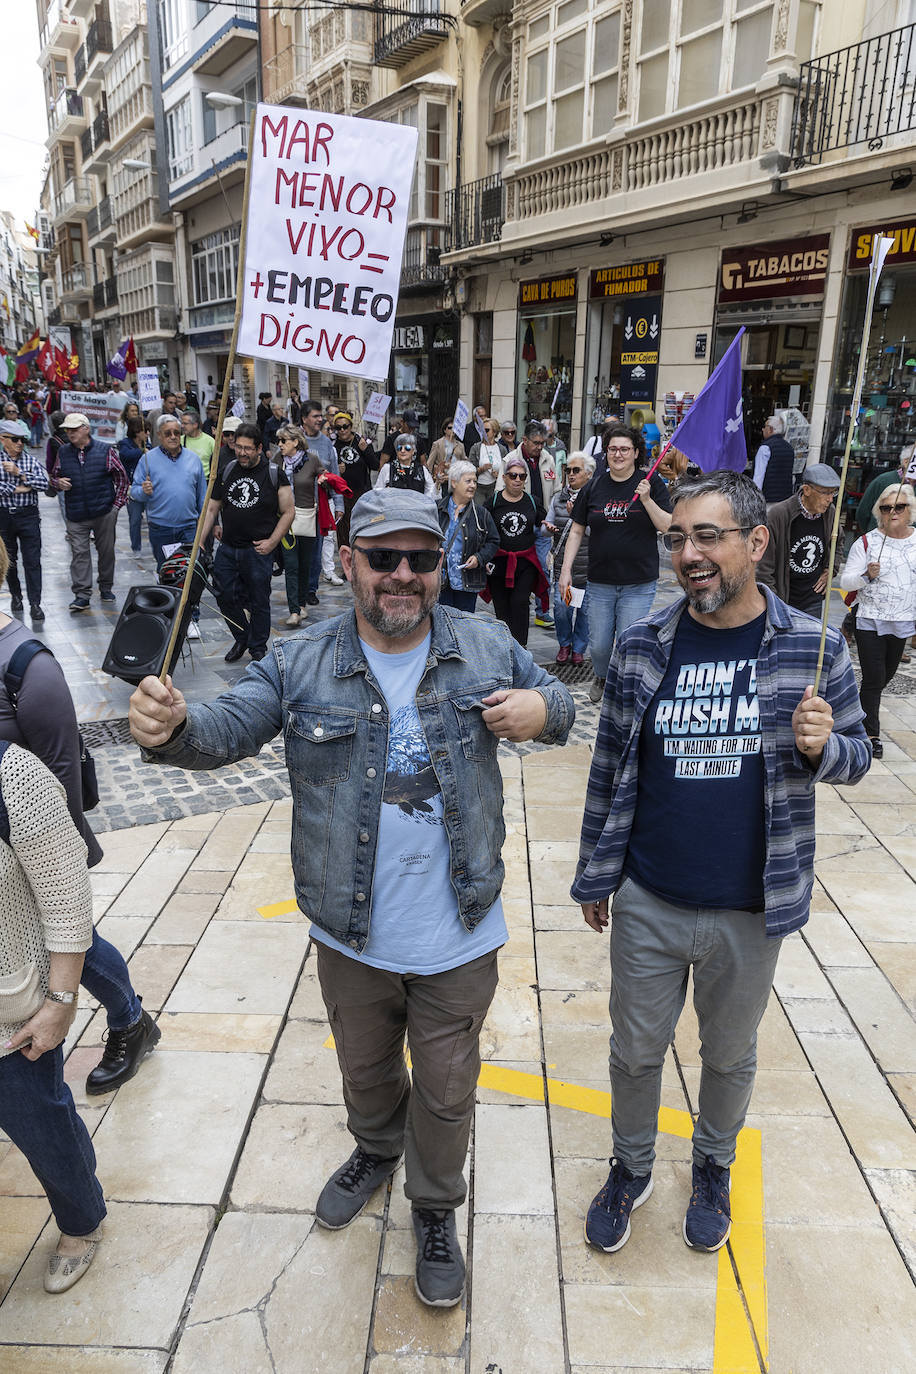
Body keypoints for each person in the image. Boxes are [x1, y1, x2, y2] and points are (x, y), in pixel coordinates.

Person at [128, 486, 575, 1310]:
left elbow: (562, 705)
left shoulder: (485, 644)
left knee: (446, 1092)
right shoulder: (300, 662)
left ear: (443, 566)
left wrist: (545, 706)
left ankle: (435, 1207)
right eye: (383, 558)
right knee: (367, 1072)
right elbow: (224, 729)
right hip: (351, 932)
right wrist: (173, 729)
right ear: (347, 563)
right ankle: (375, 1147)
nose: (403, 575)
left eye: (422, 558)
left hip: (461, 932)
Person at [573, 470, 870, 1258]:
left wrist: (823, 746)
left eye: (708, 537)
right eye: (679, 538)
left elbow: (859, 755)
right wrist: (594, 876)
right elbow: (608, 766)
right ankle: (630, 1168)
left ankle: (712, 1167)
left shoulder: (814, 648)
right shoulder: (643, 644)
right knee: (634, 1051)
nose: (689, 554)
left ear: (757, 542)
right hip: (649, 898)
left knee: (730, 1056)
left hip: (751, 905)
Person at [0, 538, 159, 1097]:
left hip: (31, 847)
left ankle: (130, 1022)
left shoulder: (26, 665)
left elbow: (60, 766)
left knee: (69, 943)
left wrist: (56, 865)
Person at [0, 740, 105, 1294]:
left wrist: (60, 1002)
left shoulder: (13, 774)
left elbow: (66, 899)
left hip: (8, 1022)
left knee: (42, 1126)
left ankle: (81, 1220)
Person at [559, 424, 672, 703]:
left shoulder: (651, 483)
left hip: (638, 582)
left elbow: (667, 526)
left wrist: (645, 499)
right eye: (612, 449)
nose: (618, 454)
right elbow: (576, 530)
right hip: (600, 582)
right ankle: (601, 674)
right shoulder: (594, 485)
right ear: (605, 453)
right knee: (598, 646)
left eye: (624, 449)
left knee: (627, 641)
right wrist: (565, 570)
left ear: (636, 453)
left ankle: (621, 687)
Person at [202, 422, 294, 663]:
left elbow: (289, 512)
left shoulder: (274, 474)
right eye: (238, 447)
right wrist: (201, 540)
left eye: (247, 449)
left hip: (258, 551)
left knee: (259, 600)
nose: (242, 452)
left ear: (259, 448)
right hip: (228, 548)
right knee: (223, 595)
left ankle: (257, 647)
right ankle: (242, 636)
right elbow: (212, 507)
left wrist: (273, 542)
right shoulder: (228, 469)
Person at [839, 482, 916, 757]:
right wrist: (866, 575)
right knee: (874, 678)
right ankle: (870, 733)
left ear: (910, 509)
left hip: (903, 621)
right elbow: (847, 580)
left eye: (899, 506)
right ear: (879, 511)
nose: (893, 511)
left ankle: (853, 713)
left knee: (886, 676)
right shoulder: (867, 542)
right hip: (869, 619)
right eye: (886, 507)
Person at [130, 416, 208, 640]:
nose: (173, 436)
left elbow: (202, 497)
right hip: (161, 528)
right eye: (168, 433)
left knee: (191, 575)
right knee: (168, 573)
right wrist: (142, 490)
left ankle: (192, 618)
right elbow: (133, 492)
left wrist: (207, 526)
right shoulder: (147, 460)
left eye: (176, 432)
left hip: (189, 528)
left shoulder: (193, 459)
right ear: (158, 436)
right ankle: (170, 615)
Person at [49, 414, 130, 613]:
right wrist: (57, 483)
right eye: (68, 430)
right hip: (76, 513)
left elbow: (122, 479)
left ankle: (105, 587)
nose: (70, 433)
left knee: (106, 552)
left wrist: (115, 508)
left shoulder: (105, 450)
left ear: (86, 429)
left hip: (103, 511)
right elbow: (53, 477)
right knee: (79, 553)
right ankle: (82, 594)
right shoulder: (64, 452)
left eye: (74, 429)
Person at [757, 463, 841, 618]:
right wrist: (773, 601)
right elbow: (763, 566)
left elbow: (839, 542)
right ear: (807, 490)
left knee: (809, 641)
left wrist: (831, 569)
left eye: (833, 493)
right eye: (825, 493)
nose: (830, 499)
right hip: (783, 598)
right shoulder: (778, 515)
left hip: (812, 597)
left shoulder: (830, 513)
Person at [484, 454, 547, 647]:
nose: (517, 480)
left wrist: (549, 528)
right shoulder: (493, 502)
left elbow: (544, 523)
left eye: (521, 476)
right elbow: (482, 530)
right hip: (498, 563)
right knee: (502, 608)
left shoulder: (532, 501)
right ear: (504, 478)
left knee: (520, 603)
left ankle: (521, 648)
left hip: (525, 563)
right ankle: (505, 647)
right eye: (513, 475)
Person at [545, 450, 594, 664]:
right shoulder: (558, 498)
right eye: (568, 470)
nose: (571, 474)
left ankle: (579, 649)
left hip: (588, 567)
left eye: (576, 470)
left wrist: (579, 517)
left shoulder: (594, 499)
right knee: (562, 609)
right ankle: (564, 644)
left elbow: (597, 532)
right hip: (563, 568)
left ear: (589, 474)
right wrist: (547, 528)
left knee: (584, 612)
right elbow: (545, 528)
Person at [0, 418, 48, 622]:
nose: (20, 443)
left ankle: (35, 603)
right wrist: (18, 487)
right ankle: (16, 596)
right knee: (9, 560)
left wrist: (20, 473)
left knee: (32, 560)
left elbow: (44, 483)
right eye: (15, 439)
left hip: (28, 514)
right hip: (3, 516)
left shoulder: (29, 460)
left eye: (22, 439)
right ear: (3, 440)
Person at [277, 424, 323, 628]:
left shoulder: (311, 460)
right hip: (284, 520)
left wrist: (325, 479)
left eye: (283, 441)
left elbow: (326, 479)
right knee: (291, 566)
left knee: (306, 565)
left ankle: (302, 603)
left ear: (296, 442)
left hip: (307, 518)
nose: (280, 445)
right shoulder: (276, 461)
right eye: (278, 441)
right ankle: (294, 610)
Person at [436, 460, 498, 612]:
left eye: (475, 482)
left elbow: (494, 541)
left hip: (468, 581)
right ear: (454, 483)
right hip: (440, 581)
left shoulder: (481, 514)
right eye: (468, 481)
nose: (473, 485)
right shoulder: (437, 509)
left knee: (464, 625)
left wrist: (479, 558)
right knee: (442, 622)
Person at [301, 400, 344, 602]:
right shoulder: (294, 440)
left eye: (321, 416)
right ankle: (298, 591)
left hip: (321, 507)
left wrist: (339, 504)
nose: (320, 419)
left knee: (317, 551)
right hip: (298, 507)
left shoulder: (327, 444)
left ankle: (311, 589)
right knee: (298, 553)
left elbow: (335, 476)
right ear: (304, 419)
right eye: (316, 416)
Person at [333, 411, 377, 548]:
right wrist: (336, 471)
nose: (342, 430)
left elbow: (375, 465)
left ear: (351, 426)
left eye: (345, 426)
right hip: (342, 494)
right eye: (338, 428)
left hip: (361, 492)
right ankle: (346, 559)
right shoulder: (333, 447)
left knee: (362, 526)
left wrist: (366, 450)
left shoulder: (361, 442)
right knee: (343, 528)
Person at [118, 417, 148, 554]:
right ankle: (136, 547)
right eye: (145, 431)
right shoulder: (125, 444)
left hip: (147, 487)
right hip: (132, 488)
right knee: (135, 520)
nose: (147, 434)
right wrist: (141, 451)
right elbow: (126, 455)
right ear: (137, 432)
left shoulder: (148, 445)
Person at [751, 413, 796, 504]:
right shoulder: (789, 448)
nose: (763, 429)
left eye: (765, 427)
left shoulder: (765, 448)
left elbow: (758, 476)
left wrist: (754, 497)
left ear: (771, 429)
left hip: (768, 498)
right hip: (785, 498)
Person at [377, 432, 436, 497]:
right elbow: (378, 491)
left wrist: (438, 483)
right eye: (399, 448)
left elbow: (431, 491)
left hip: (417, 506)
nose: (402, 451)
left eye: (407, 448)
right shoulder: (387, 468)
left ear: (413, 451)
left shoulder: (421, 469)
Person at [468, 418, 503, 505]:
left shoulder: (501, 449)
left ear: (494, 432)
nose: (484, 432)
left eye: (486, 430)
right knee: (479, 511)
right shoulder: (476, 448)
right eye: (482, 430)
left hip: (495, 486)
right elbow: (469, 469)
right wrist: (481, 469)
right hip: (479, 486)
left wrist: (499, 475)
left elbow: (507, 470)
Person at [427, 421, 466, 490]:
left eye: (455, 428)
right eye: (450, 428)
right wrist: (429, 480)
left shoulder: (460, 445)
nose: (452, 430)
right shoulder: (437, 444)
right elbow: (430, 462)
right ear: (445, 430)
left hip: (455, 478)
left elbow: (463, 462)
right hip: (442, 478)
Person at [180, 408, 215, 478]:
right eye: (182, 423)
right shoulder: (179, 440)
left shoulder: (210, 441)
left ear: (195, 425)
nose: (182, 426)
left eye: (185, 424)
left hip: (205, 481)